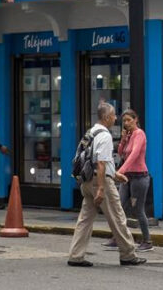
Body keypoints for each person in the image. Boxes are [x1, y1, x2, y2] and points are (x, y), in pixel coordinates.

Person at [67, 102, 146, 267]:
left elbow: (94, 160)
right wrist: (102, 188)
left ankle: (75, 255)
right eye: (113, 115)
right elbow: (101, 163)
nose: (116, 118)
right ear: (106, 117)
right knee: (117, 216)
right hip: (100, 182)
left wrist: (116, 174)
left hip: (87, 181)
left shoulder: (91, 132)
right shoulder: (105, 135)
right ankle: (128, 254)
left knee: (85, 219)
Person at [116, 109, 153, 252]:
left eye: (129, 120)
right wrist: (123, 140)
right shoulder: (129, 135)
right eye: (124, 121)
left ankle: (147, 241)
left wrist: (120, 171)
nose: (126, 123)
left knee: (138, 209)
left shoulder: (139, 134)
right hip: (127, 178)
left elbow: (134, 155)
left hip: (139, 177)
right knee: (119, 207)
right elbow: (121, 153)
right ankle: (117, 238)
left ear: (135, 119)